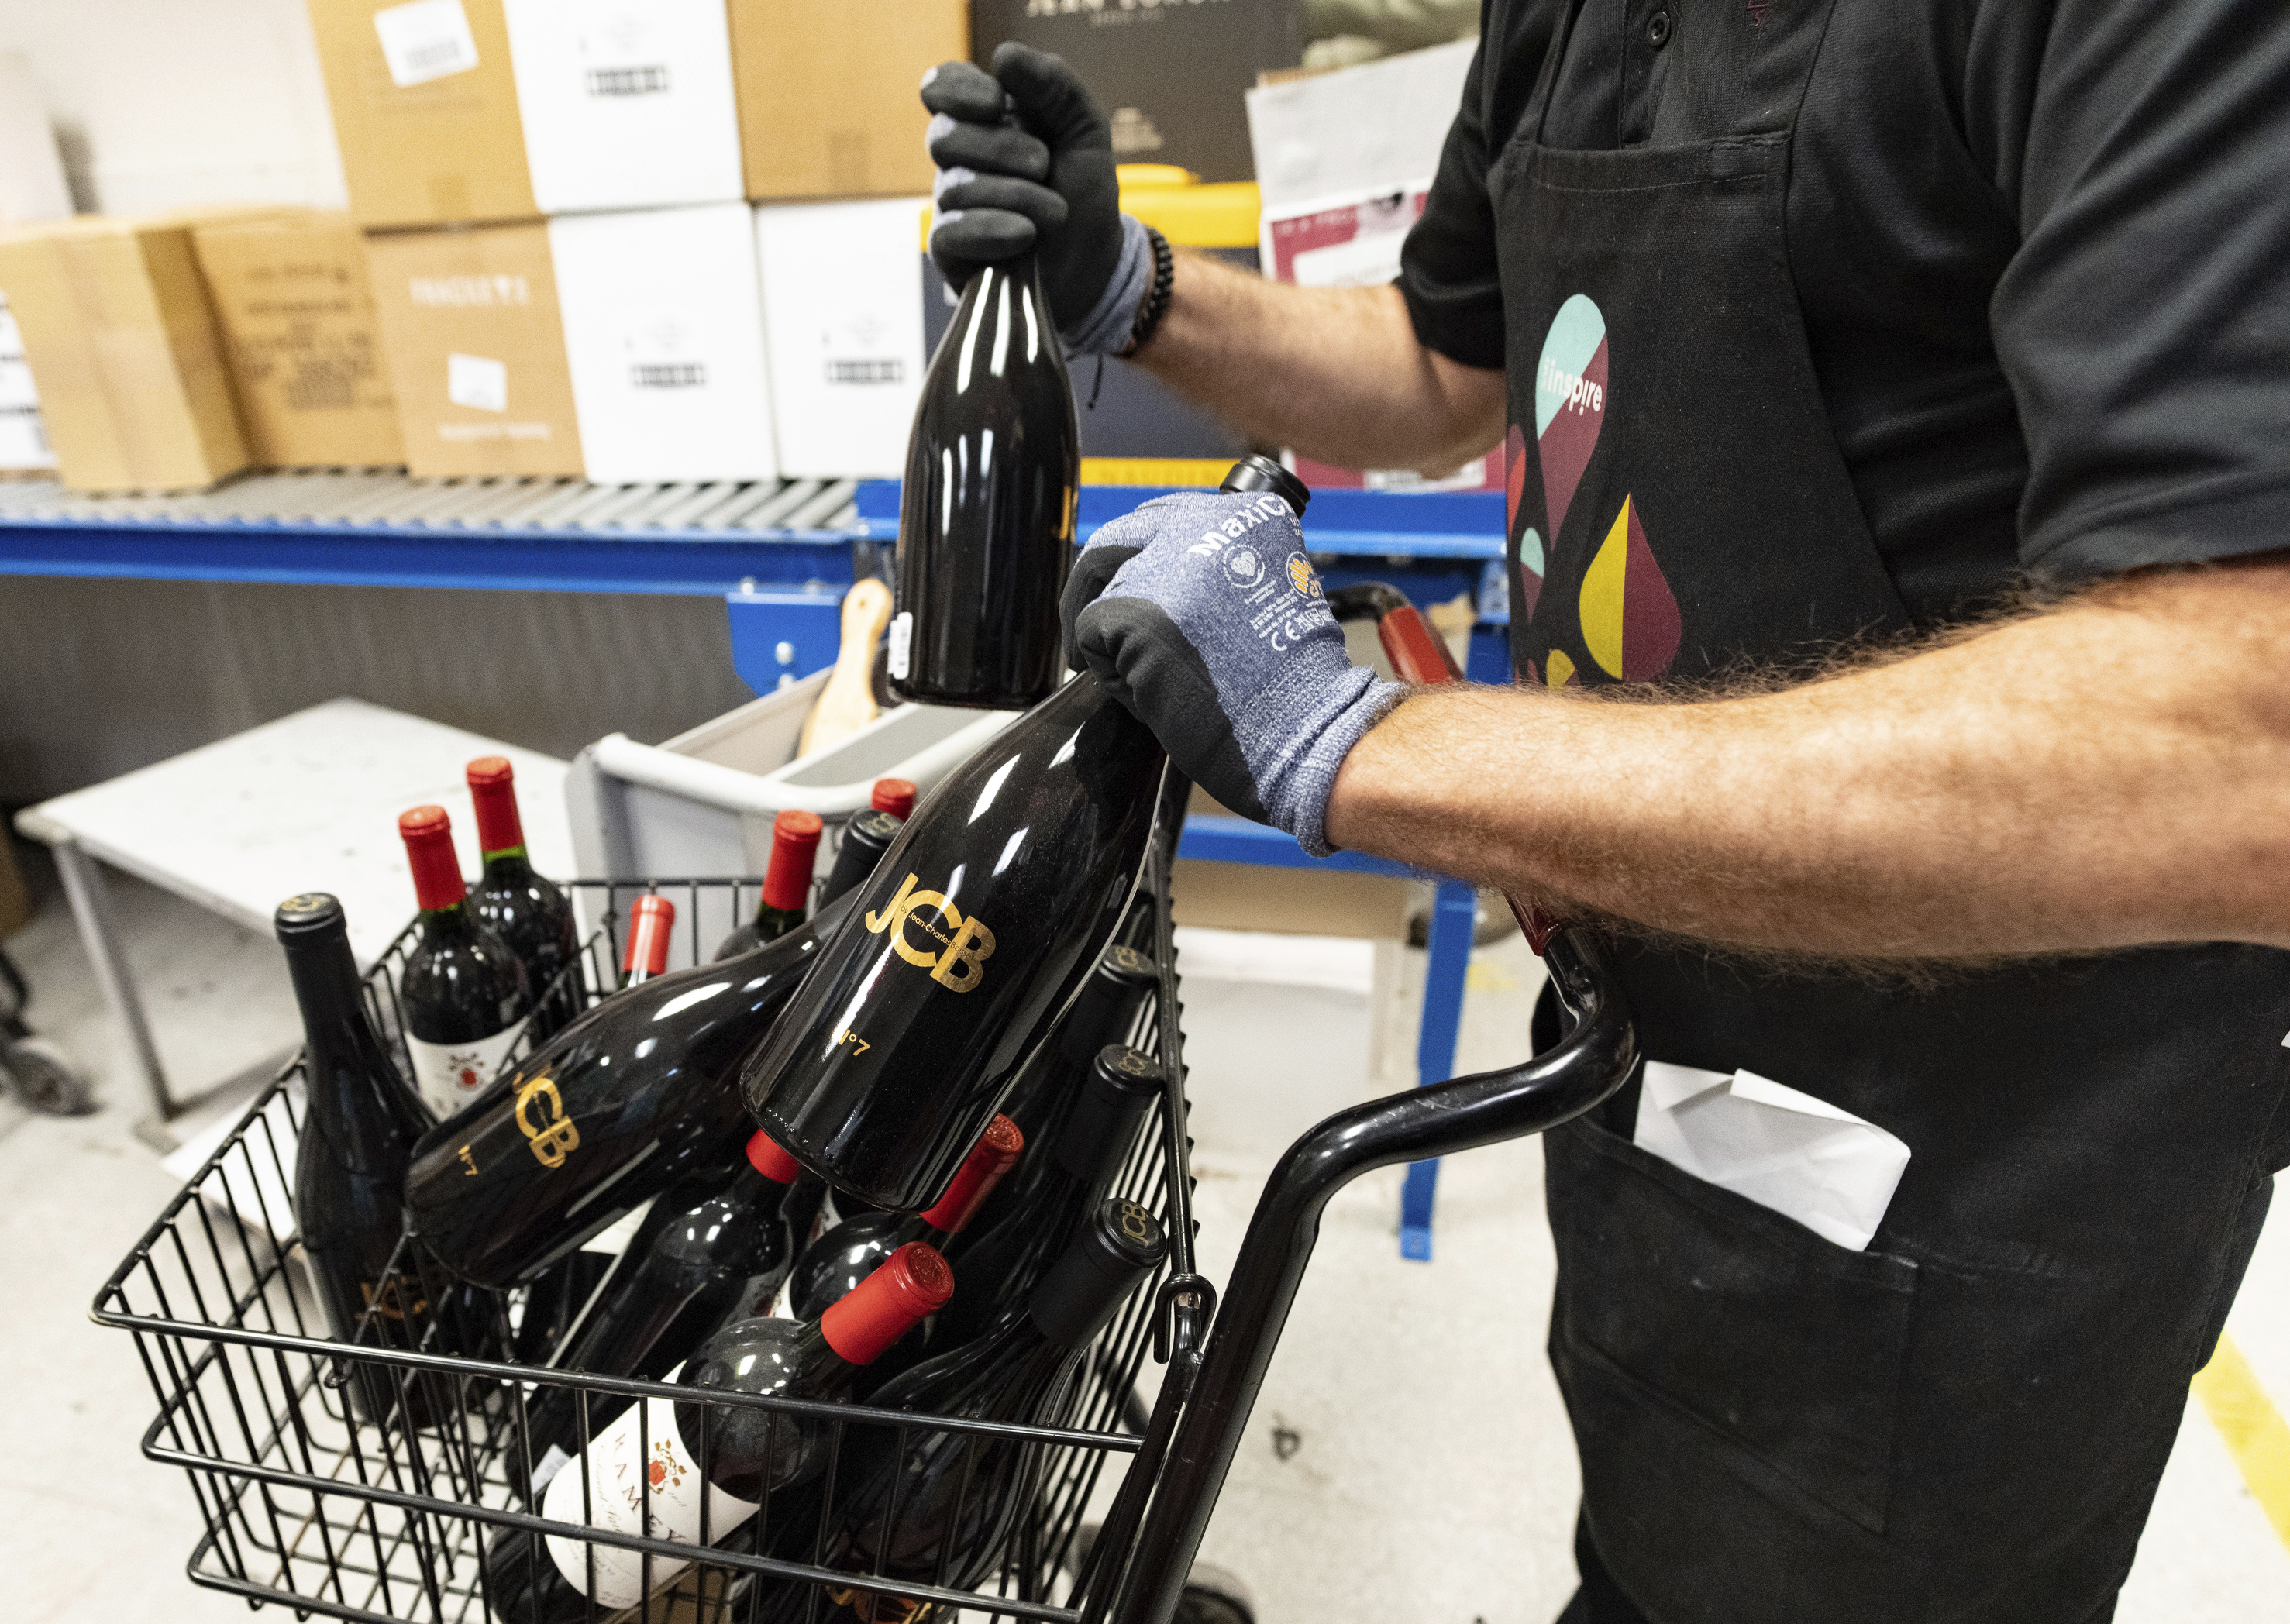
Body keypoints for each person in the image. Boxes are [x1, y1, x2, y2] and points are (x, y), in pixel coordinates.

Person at [924, 5, 2290, 1622]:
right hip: (1654, 1033)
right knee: (1656, 1541)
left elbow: (2239, 745)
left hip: (1973, 1142)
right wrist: (1131, 289)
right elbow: (1448, 368)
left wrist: (1353, 737)